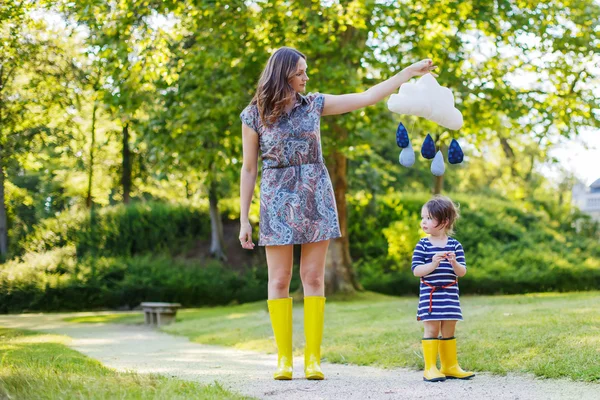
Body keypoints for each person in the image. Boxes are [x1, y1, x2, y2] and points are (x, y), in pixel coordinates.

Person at [239, 46, 437, 380]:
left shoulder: (315, 103)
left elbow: (367, 96)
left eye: (305, 71)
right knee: (279, 279)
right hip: (275, 197)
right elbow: (247, 168)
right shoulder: (253, 114)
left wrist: (408, 73)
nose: (306, 77)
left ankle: (313, 360)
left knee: (314, 278)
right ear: (282, 73)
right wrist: (244, 218)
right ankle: (284, 361)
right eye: (300, 71)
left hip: (315, 193)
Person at [411, 195, 475, 382]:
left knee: (449, 330)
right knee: (431, 330)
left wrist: (454, 262)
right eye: (423, 217)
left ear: (445, 221)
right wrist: (432, 264)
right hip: (430, 297)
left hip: (449, 297)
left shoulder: (455, 246)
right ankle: (430, 368)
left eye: (429, 218)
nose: (424, 222)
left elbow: (462, 272)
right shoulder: (422, 245)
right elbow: (416, 270)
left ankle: (450, 366)